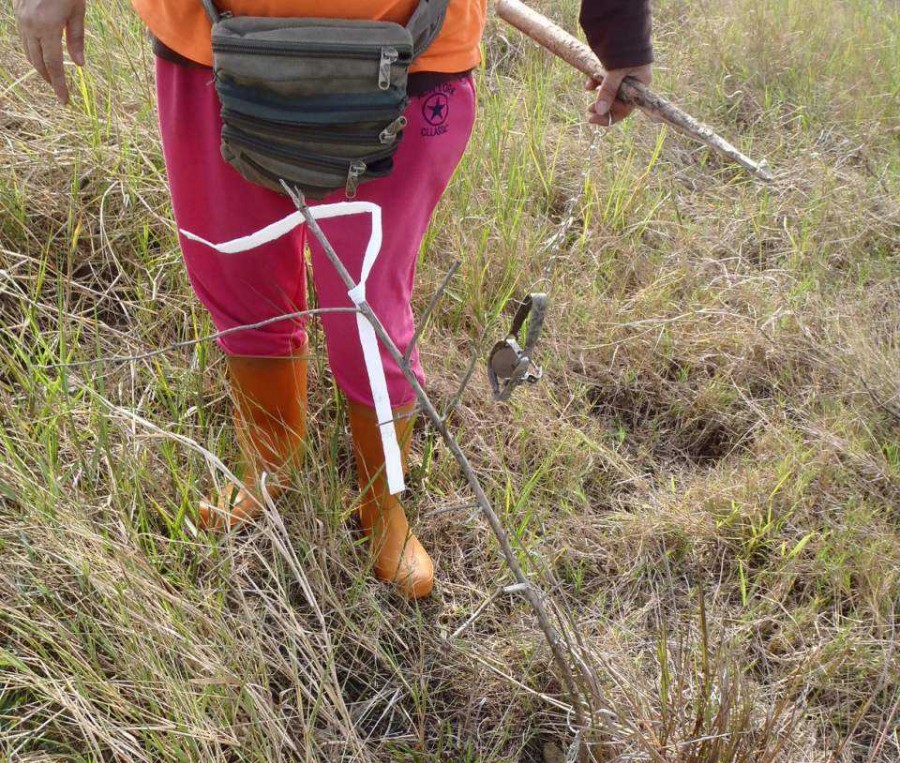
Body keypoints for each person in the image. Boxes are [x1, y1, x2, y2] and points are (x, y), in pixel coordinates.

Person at [13, 0, 653, 600]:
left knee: (369, 304)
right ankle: (268, 460)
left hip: (410, 52)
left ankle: (382, 500)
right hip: (210, 39)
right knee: (238, 272)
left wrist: (619, 26)